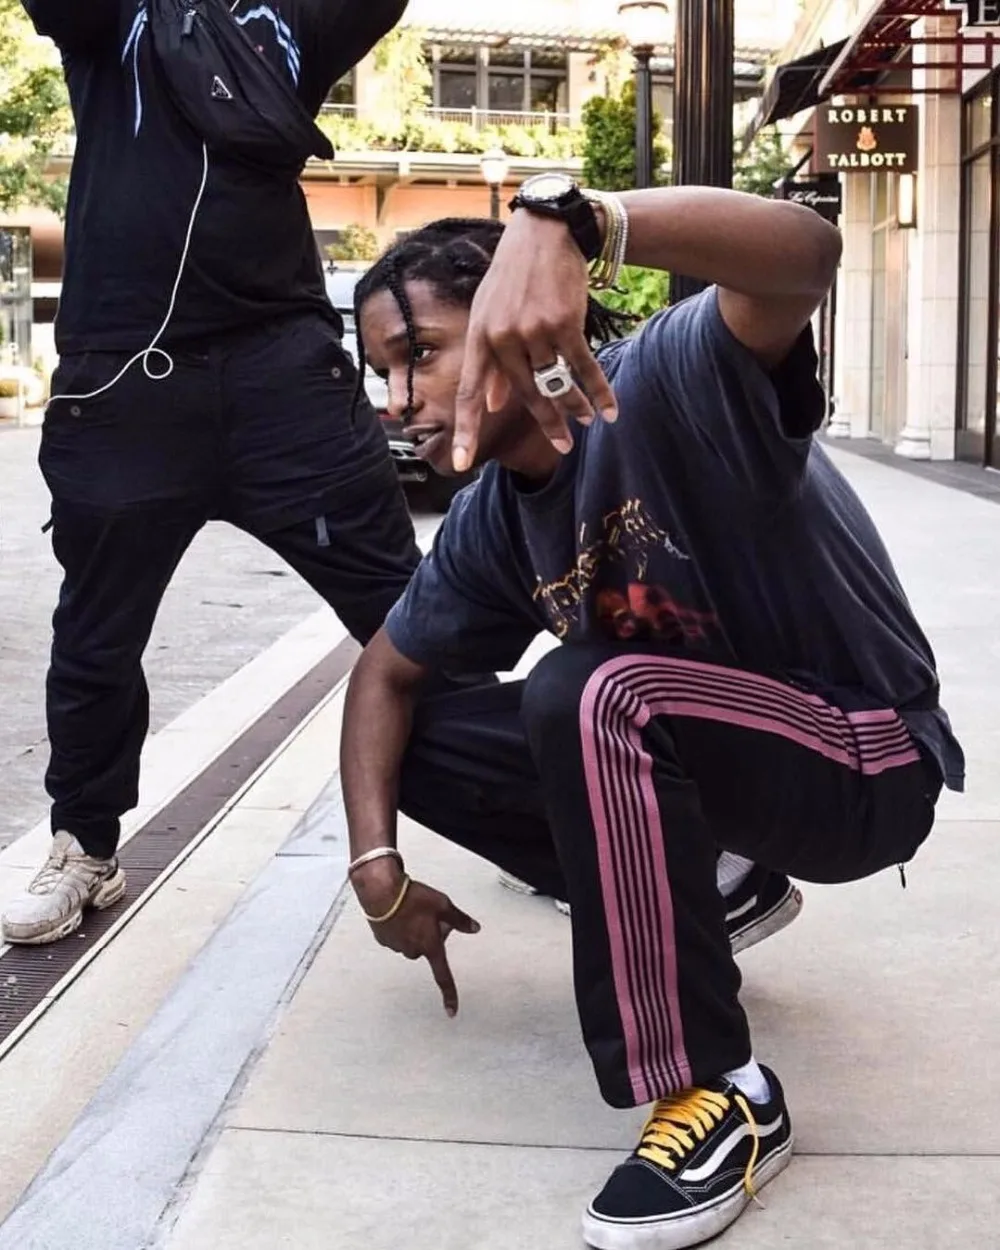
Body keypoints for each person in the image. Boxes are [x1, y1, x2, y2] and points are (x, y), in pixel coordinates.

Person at [338, 186, 964, 1250]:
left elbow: (806, 253)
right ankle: (719, 883)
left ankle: (720, 1092)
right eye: (380, 373)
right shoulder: (491, 521)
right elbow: (382, 678)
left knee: (590, 689)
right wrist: (376, 869)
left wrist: (578, 222)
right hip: (711, 749)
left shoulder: (665, 383)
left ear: (516, 318)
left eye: (421, 354)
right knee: (428, 739)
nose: (397, 401)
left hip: (866, 758)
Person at [1, 0, 419, 946]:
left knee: (416, 615)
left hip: (283, 372)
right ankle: (84, 845)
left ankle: (540, 815)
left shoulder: (292, 20)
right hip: (125, 375)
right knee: (96, 638)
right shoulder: (118, 18)